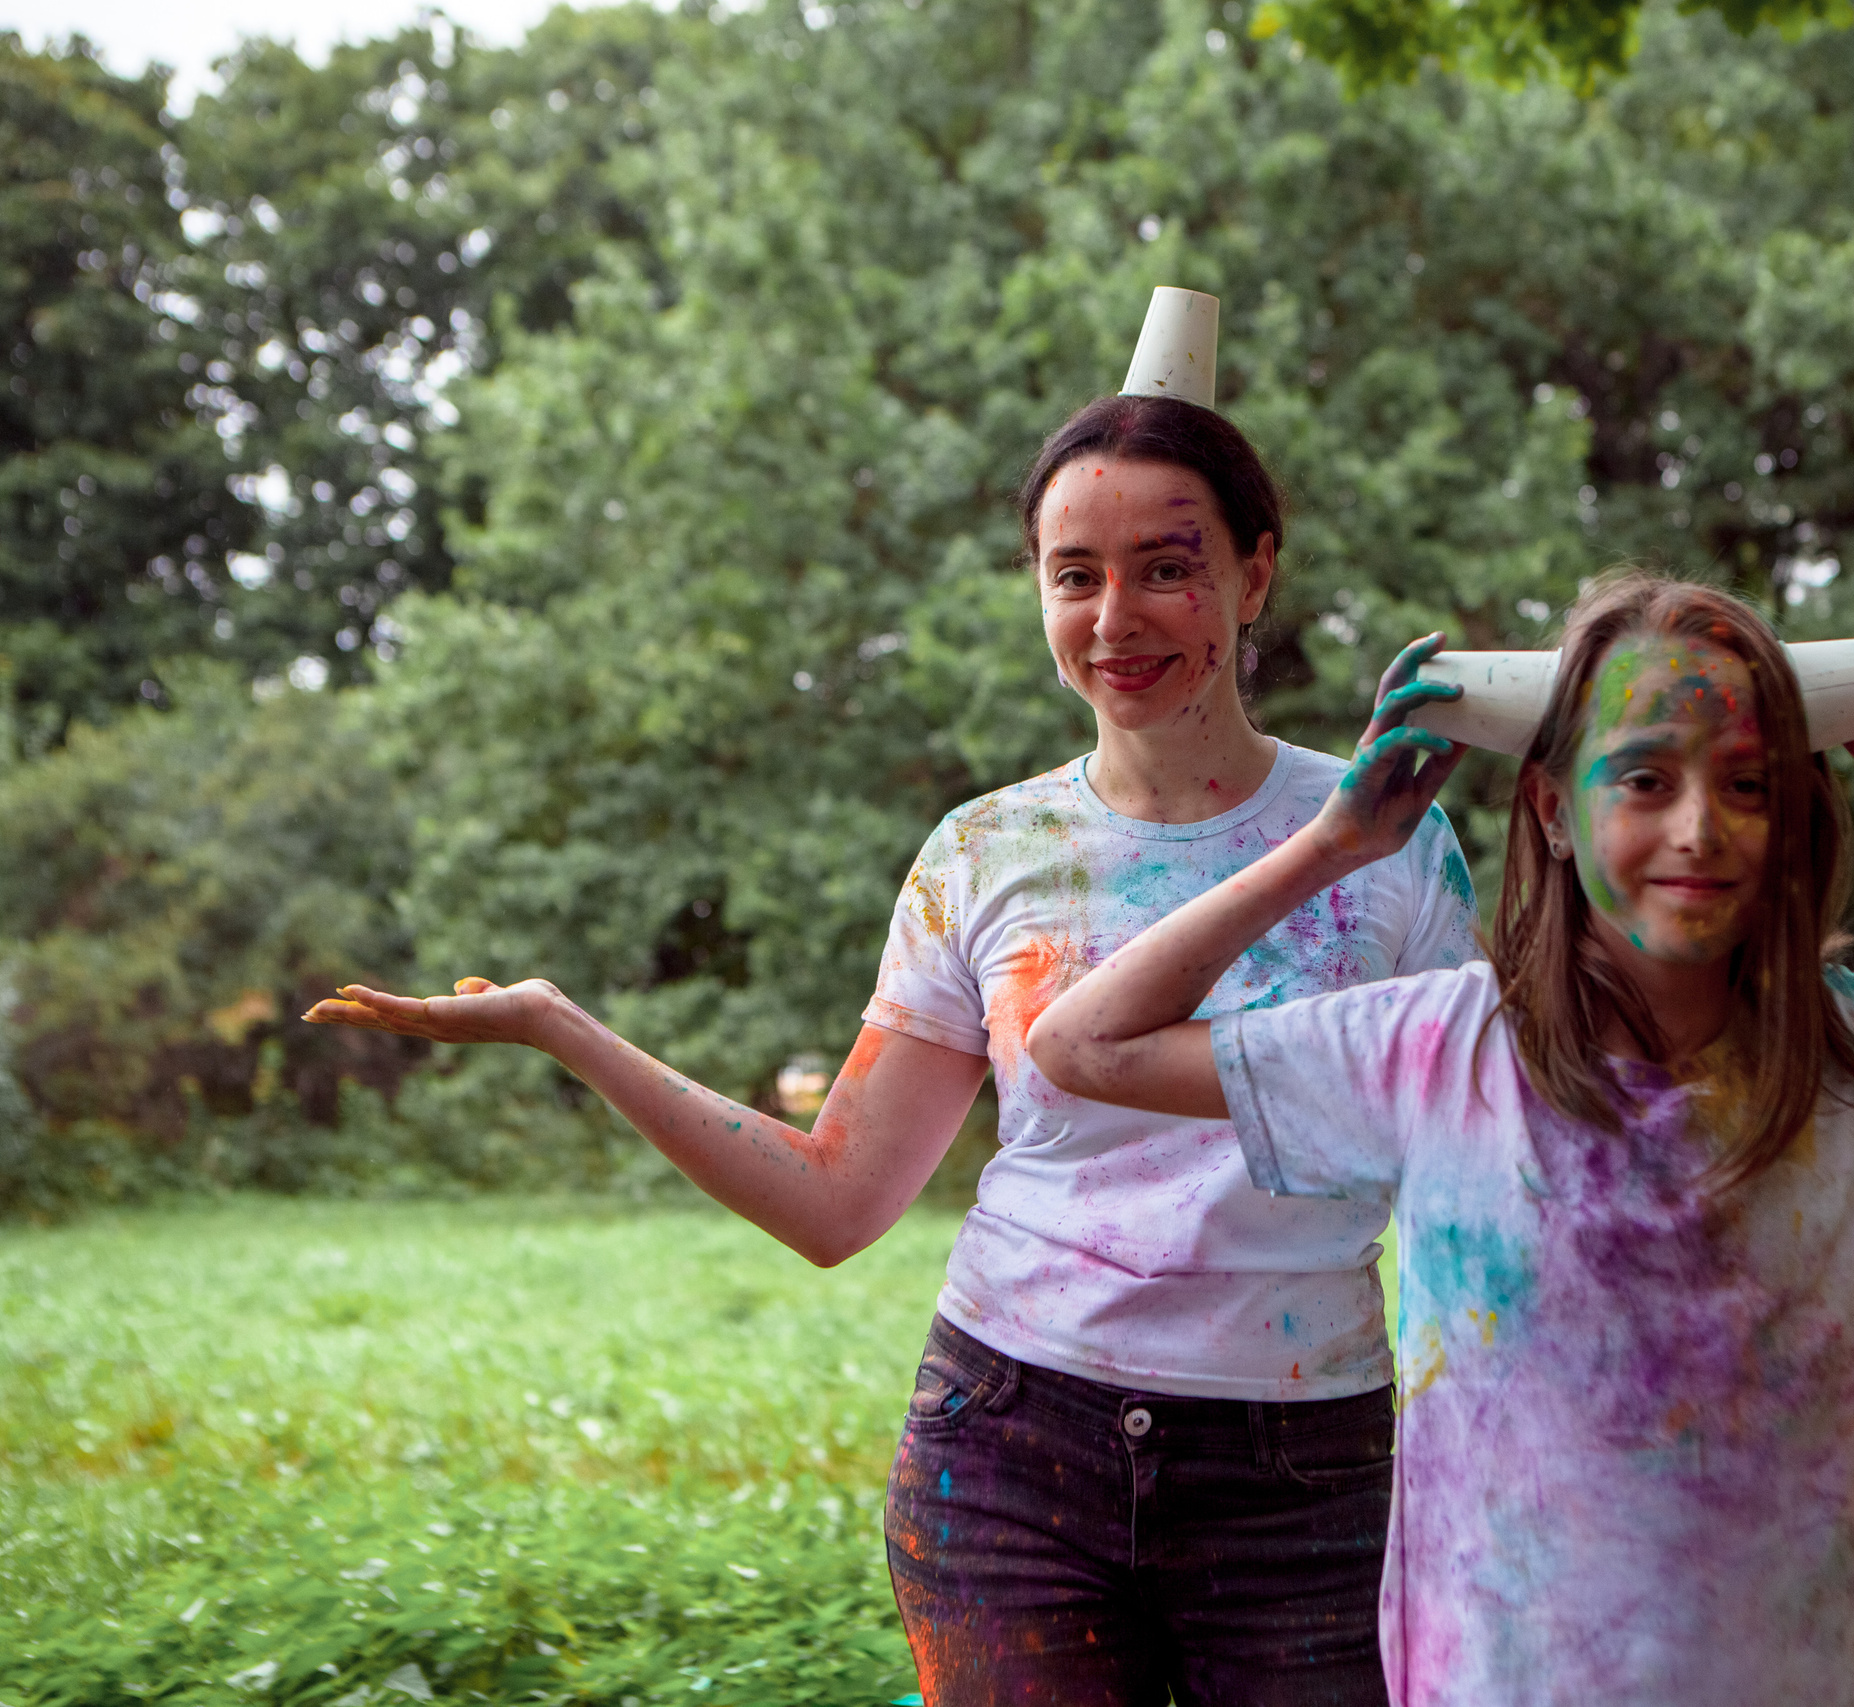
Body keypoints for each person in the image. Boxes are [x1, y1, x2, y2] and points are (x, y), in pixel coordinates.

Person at [305, 322, 1480, 1706]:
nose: (1118, 619)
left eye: (1168, 566)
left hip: (1307, 1471)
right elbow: (836, 1197)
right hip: (1009, 1449)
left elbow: (1463, 1176)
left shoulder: (1391, 840)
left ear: (1253, 570)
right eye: (1074, 574)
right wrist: (562, 1024)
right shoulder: (984, 853)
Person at [1026, 574, 1854, 1707]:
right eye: (1646, 780)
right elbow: (1084, 1046)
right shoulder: (1434, 1050)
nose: (1701, 829)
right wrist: (1338, 844)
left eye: (1749, 784)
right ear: (1552, 810)